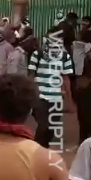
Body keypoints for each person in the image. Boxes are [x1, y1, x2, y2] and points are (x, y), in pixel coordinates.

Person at [27, 25, 75, 153]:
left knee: (51, 130)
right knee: (43, 126)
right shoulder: (38, 54)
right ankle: (35, 153)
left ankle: (42, 152)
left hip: (56, 98)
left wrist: (69, 101)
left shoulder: (65, 57)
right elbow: (31, 76)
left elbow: (65, 79)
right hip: (40, 97)